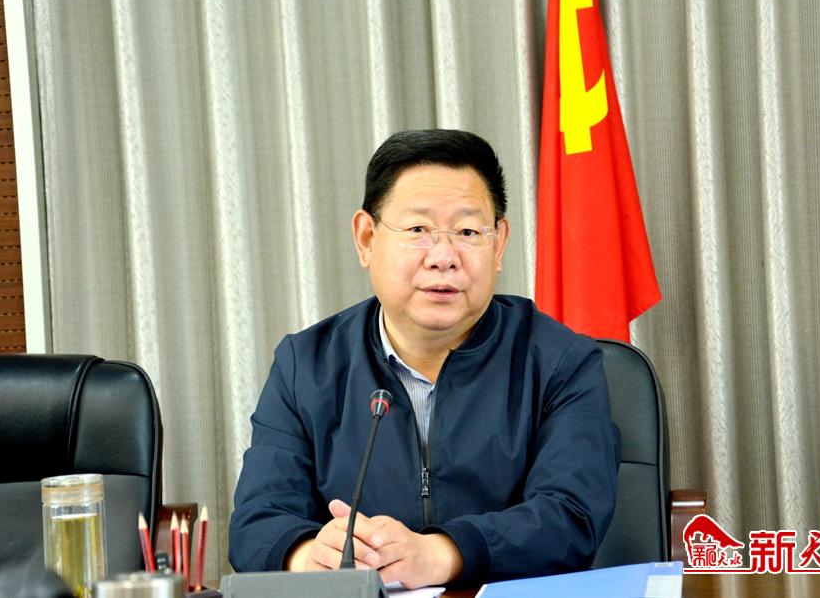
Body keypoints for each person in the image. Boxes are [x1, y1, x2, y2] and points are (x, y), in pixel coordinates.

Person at [229, 129, 621, 588]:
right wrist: (308, 555)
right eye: (418, 230)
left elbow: (571, 516)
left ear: (498, 244)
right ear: (366, 238)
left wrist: (437, 555)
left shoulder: (560, 362)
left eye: (468, 232)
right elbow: (257, 522)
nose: (443, 257)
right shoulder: (306, 366)